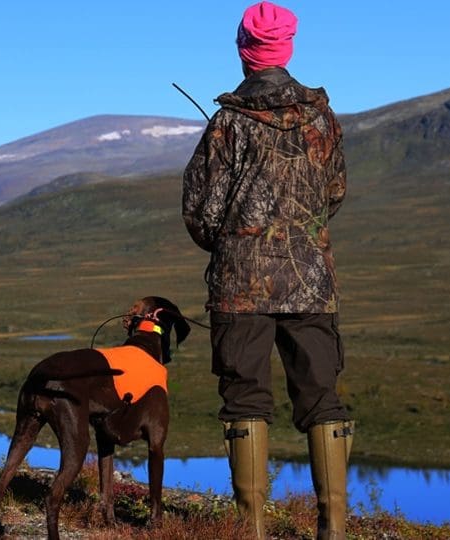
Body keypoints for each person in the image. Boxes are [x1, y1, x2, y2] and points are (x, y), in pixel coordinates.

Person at [181, 2, 352, 539]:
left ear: (243, 49)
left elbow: (201, 212)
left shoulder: (227, 123)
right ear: (288, 49)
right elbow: (334, 193)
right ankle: (335, 530)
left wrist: (232, 243)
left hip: (240, 287)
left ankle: (250, 531)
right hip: (311, 281)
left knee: (245, 399)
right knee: (322, 398)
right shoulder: (323, 118)